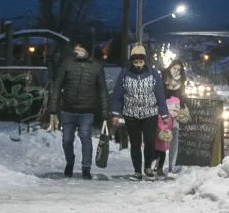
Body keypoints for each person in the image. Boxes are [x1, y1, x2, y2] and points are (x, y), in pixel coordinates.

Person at [48, 42, 109, 180]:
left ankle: (86, 168)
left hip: (87, 110)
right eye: (76, 49)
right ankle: (70, 162)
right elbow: (57, 85)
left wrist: (105, 113)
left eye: (80, 49)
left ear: (87, 50)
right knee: (66, 140)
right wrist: (53, 109)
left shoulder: (96, 66)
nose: (77, 51)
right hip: (68, 109)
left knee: (85, 137)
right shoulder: (67, 63)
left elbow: (103, 91)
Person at [111, 44, 169, 180]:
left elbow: (160, 94)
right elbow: (117, 94)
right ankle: (137, 171)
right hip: (131, 114)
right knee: (135, 143)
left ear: (145, 61)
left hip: (150, 113)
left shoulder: (153, 74)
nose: (138, 65)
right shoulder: (125, 74)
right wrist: (115, 113)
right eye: (135, 62)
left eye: (140, 62)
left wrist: (164, 113)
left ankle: (147, 166)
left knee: (149, 141)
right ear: (131, 61)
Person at [161, 59, 188, 173]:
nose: (176, 71)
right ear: (170, 68)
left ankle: (172, 165)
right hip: (163, 112)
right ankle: (158, 166)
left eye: (179, 69)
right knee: (162, 138)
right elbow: (159, 94)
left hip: (175, 113)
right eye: (174, 68)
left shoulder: (181, 81)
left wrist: (184, 107)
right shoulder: (163, 78)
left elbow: (182, 96)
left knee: (174, 140)